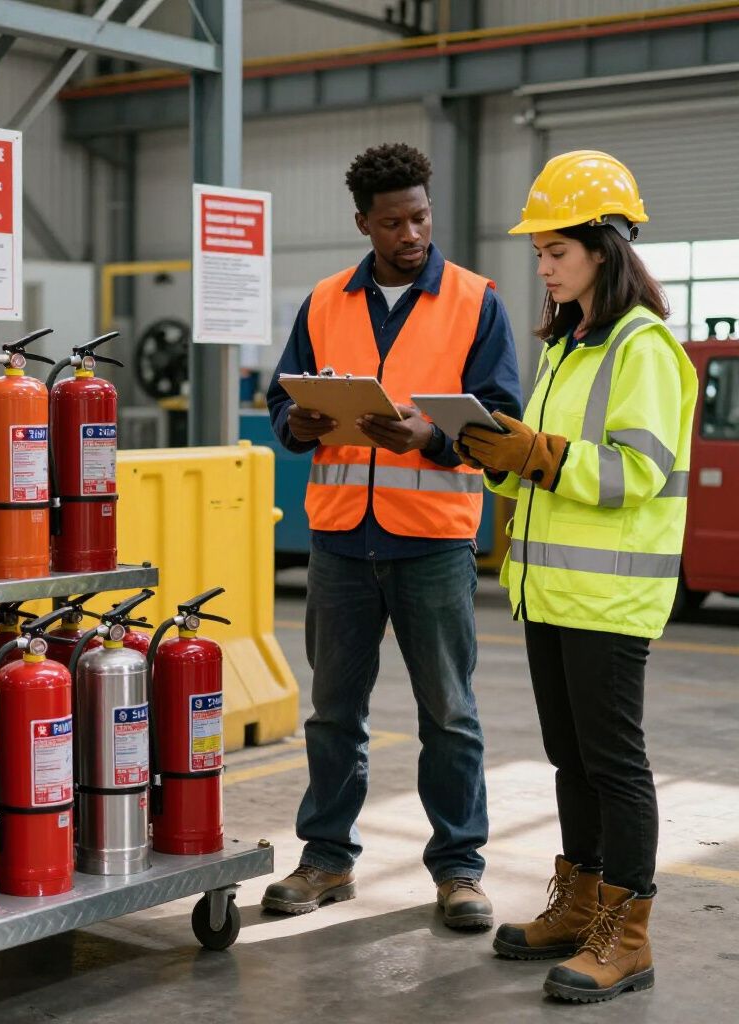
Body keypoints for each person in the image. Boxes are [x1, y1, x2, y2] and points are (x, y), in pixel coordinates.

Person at [456, 150, 697, 1001]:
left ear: (605, 246)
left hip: (611, 595)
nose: (545, 267)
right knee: (569, 758)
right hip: (551, 591)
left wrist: (539, 451)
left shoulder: (646, 347)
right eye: (538, 255)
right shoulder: (569, 346)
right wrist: (496, 453)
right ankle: (582, 902)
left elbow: (634, 471)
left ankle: (627, 938)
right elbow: (545, 469)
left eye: (556, 251)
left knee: (613, 765)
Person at [261, 142, 521, 930]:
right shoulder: (324, 301)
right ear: (363, 223)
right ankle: (327, 860)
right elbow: (282, 403)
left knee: (449, 713)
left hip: (433, 542)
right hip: (340, 541)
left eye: (420, 217)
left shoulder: (477, 302)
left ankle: (459, 870)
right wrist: (296, 424)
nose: (411, 233)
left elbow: (500, 421)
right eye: (393, 222)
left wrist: (430, 440)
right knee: (334, 711)